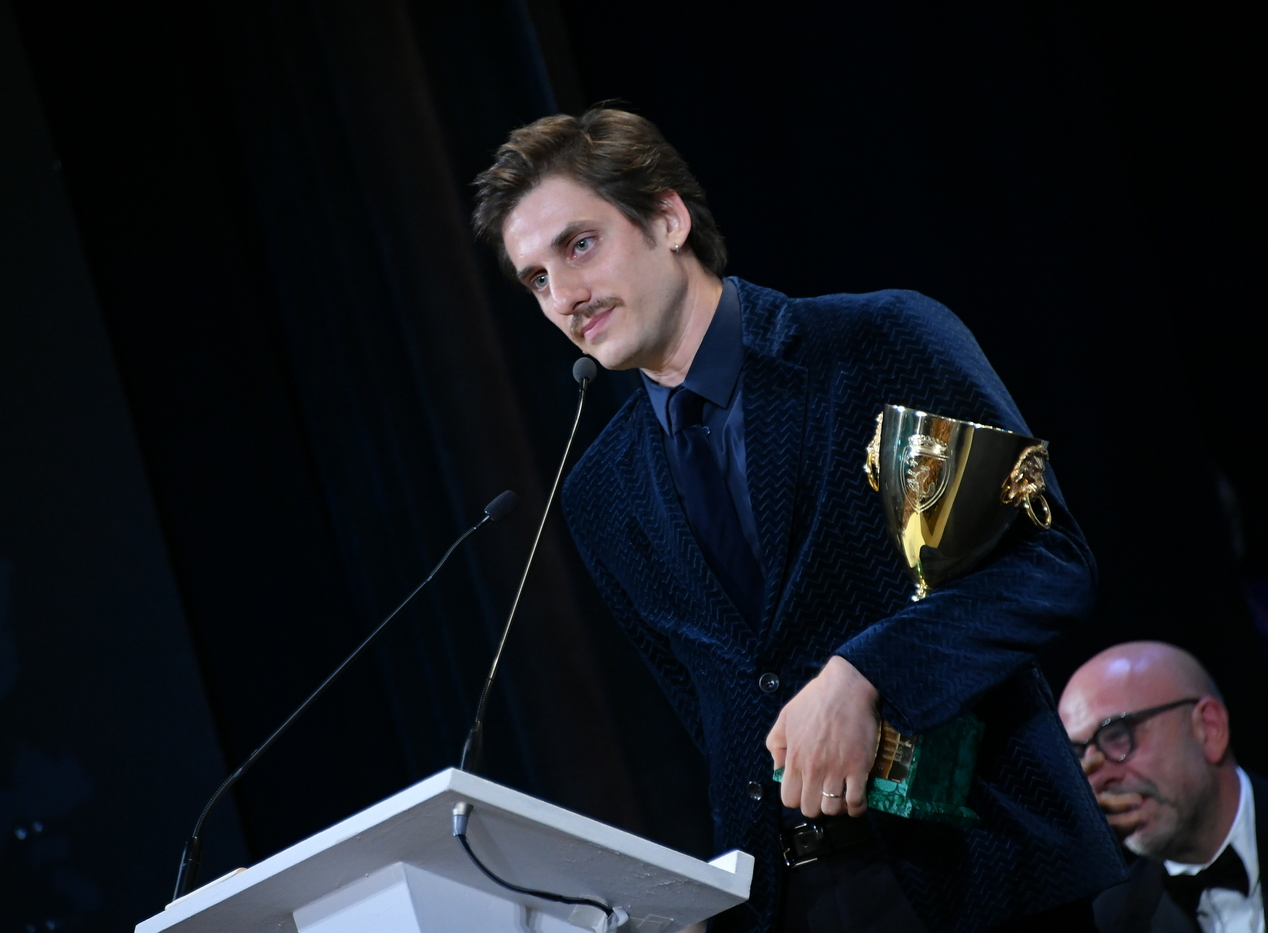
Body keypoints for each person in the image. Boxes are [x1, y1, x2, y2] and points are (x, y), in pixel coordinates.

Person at [471, 106, 1124, 932]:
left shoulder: (870, 344)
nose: (564, 296)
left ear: (668, 218)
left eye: (579, 245)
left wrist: (865, 672)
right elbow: (711, 716)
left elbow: (1040, 566)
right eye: (535, 278)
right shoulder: (601, 490)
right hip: (796, 903)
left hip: (980, 865)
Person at [1060, 642, 1265, 933]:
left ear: (1209, 728)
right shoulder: (1109, 921)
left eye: (1117, 735)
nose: (1097, 778)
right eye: (1079, 755)